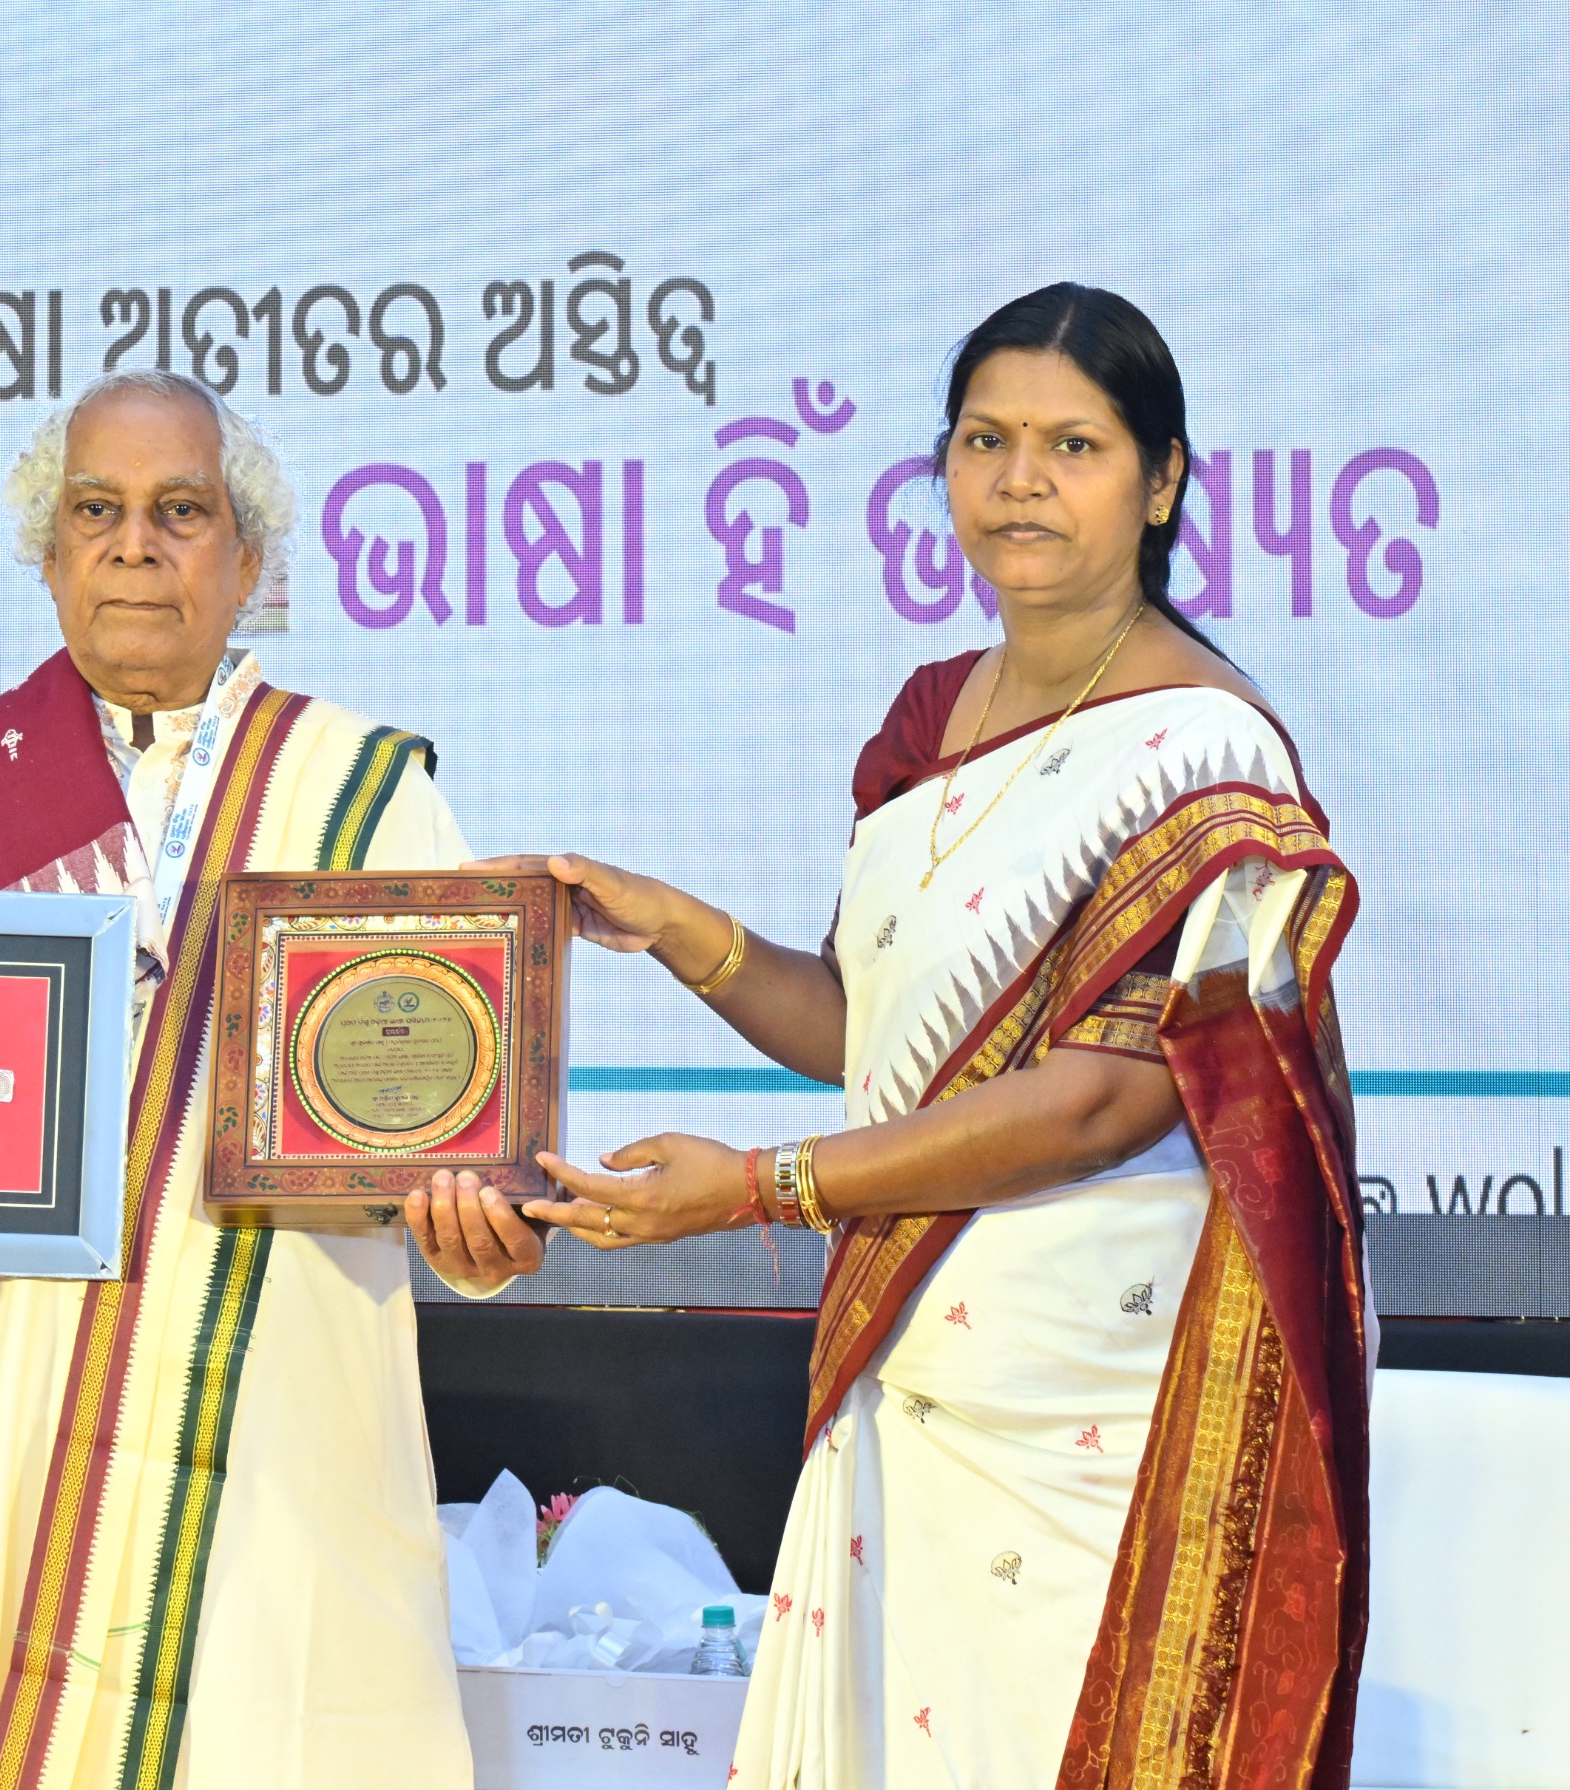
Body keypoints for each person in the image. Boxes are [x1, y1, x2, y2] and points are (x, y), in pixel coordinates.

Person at [496, 285, 1370, 1787]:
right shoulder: (932, 717)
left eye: (1074, 445)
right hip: (914, 1371)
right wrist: (681, 928)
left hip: (1092, 1393)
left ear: (1162, 481)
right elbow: (872, 1031)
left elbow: (1103, 1104)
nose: (1021, 480)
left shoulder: (1209, 751)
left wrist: (762, 1188)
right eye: (985, 439)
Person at [0, 368, 535, 1789]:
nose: (135, 545)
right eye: (97, 510)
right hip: (17, 1415)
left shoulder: (368, 790)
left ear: (251, 562)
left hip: (283, 1420)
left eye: (180, 511)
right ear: (49, 554)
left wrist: (481, 1222)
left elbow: (447, 1121)